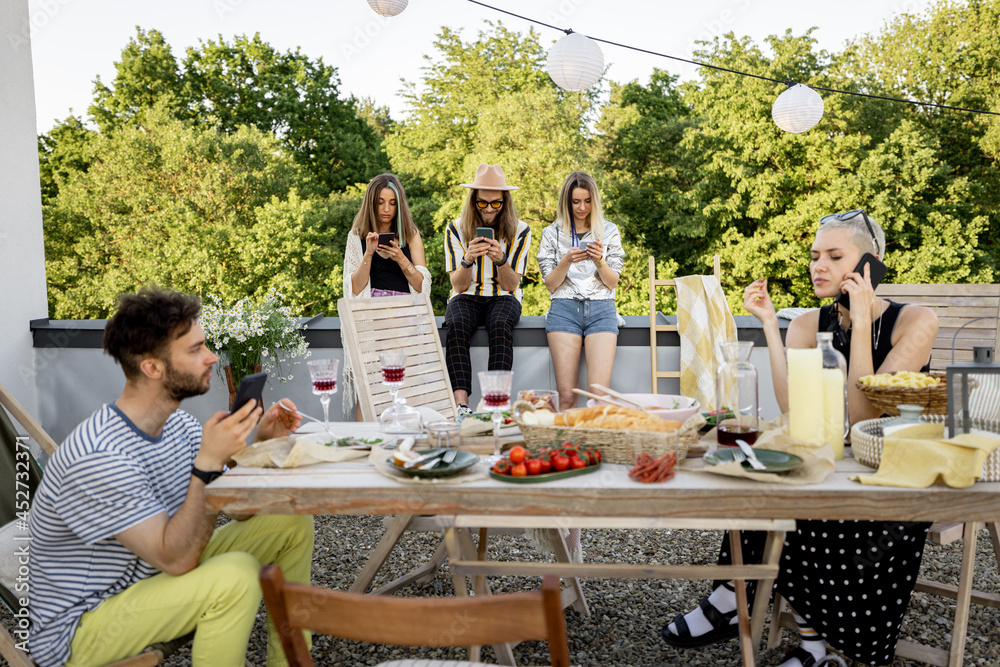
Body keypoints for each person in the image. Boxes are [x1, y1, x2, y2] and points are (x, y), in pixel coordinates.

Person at [662, 210, 939, 667]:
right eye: (814, 256)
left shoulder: (916, 323)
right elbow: (795, 410)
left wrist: (864, 322)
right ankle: (750, 605)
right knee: (761, 481)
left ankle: (814, 640)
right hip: (827, 461)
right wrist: (771, 325)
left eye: (834, 256)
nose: (818, 266)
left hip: (889, 476)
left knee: (808, 512)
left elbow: (863, 415)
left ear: (870, 265)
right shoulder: (808, 324)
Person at [28, 287, 314, 667]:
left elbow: (238, 511)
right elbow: (176, 560)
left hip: (150, 575)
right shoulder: (99, 455)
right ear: (152, 367)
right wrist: (208, 463)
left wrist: (259, 444)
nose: (212, 357)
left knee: (288, 522)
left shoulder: (176, 423)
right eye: (195, 350)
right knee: (234, 577)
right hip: (83, 627)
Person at [444, 163, 531, 415]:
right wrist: (468, 259)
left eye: (496, 203)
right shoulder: (455, 228)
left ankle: (495, 403)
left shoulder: (520, 230)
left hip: (503, 295)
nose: (490, 209)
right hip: (467, 294)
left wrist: (501, 260)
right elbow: (458, 286)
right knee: (457, 325)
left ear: (505, 201)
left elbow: (512, 284)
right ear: (473, 201)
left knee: (500, 325)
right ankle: (461, 405)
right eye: (483, 203)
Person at [342, 173, 430, 417]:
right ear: (371, 202)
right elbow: (354, 288)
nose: (386, 209)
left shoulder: (411, 235)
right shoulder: (357, 236)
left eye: (392, 203)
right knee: (369, 391)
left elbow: (422, 286)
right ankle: (365, 446)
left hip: (404, 320)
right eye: (381, 202)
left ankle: (402, 448)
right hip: (371, 321)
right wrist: (369, 254)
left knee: (403, 389)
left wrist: (402, 259)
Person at [537, 171, 624, 411]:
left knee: (597, 397)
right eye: (576, 202)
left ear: (594, 201)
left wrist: (600, 262)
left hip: (602, 309)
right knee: (566, 397)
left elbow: (612, 281)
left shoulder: (609, 230)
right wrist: (566, 260)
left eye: (587, 201)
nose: (582, 207)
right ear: (567, 202)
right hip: (563, 309)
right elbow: (551, 284)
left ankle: (595, 448)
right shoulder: (551, 233)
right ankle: (567, 449)